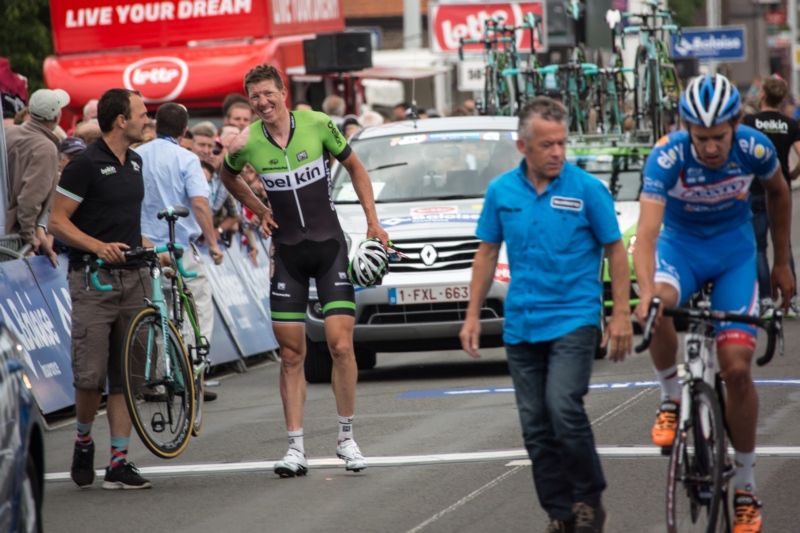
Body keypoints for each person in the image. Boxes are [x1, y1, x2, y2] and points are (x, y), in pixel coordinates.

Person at [460, 97, 633, 533]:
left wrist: (620, 314)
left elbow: (615, 249)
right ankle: (560, 513)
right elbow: (486, 252)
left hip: (575, 317)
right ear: (523, 146)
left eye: (562, 143)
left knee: (563, 407)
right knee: (535, 427)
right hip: (522, 324)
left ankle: (588, 499)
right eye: (547, 145)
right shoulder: (501, 191)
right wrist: (472, 315)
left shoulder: (587, 189)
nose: (557, 152)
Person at [633, 74, 794, 533]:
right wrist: (645, 292)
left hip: (733, 255)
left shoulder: (755, 147)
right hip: (680, 249)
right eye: (700, 138)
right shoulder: (667, 155)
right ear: (686, 128)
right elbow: (646, 234)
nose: (708, 148)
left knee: (737, 368)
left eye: (718, 138)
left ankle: (745, 486)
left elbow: (779, 193)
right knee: (661, 303)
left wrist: (781, 263)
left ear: (735, 125)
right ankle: (669, 396)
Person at [220, 63, 389, 478]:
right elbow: (227, 175)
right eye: (254, 96)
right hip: (288, 255)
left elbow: (357, 168)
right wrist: (259, 209)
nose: (262, 102)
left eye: (267, 94)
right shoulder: (248, 142)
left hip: (330, 247)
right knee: (292, 354)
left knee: (340, 346)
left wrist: (373, 221)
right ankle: (295, 448)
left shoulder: (316, 124)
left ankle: (346, 438)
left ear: (282, 92)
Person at [49, 88, 153, 490]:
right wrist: (97, 247)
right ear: (121, 120)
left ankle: (119, 462)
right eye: (143, 114)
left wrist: (150, 249)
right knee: (90, 376)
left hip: (134, 279)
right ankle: (83, 439)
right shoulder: (85, 165)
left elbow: (121, 222)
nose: (149, 120)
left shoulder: (138, 162)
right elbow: (57, 221)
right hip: (93, 280)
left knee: (125, 375)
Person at [135, 102, 225, 402]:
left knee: (157, 312)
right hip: (179, 247)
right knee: (196, 311)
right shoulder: (186, 159)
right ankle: (192, 376)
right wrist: (212, 243)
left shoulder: (136, 156)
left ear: (155, 124)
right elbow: (199, 204)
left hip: (144, 246)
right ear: (184, 130)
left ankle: (159, 379)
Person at [741, 75, 800, 318]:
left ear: (762, 94)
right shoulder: (790, 124)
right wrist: (792, 173)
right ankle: (792, 300)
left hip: (755, 189)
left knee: (759, 247)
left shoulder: (750, 122)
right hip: (781, 190)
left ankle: (765, 301)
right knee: (783, 245)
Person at [4, 87, 71, 265]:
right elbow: (30, 199)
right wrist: (30, 237)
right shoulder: (45, 148)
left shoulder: (8, 134)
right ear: (56, 117)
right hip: (12, 240)